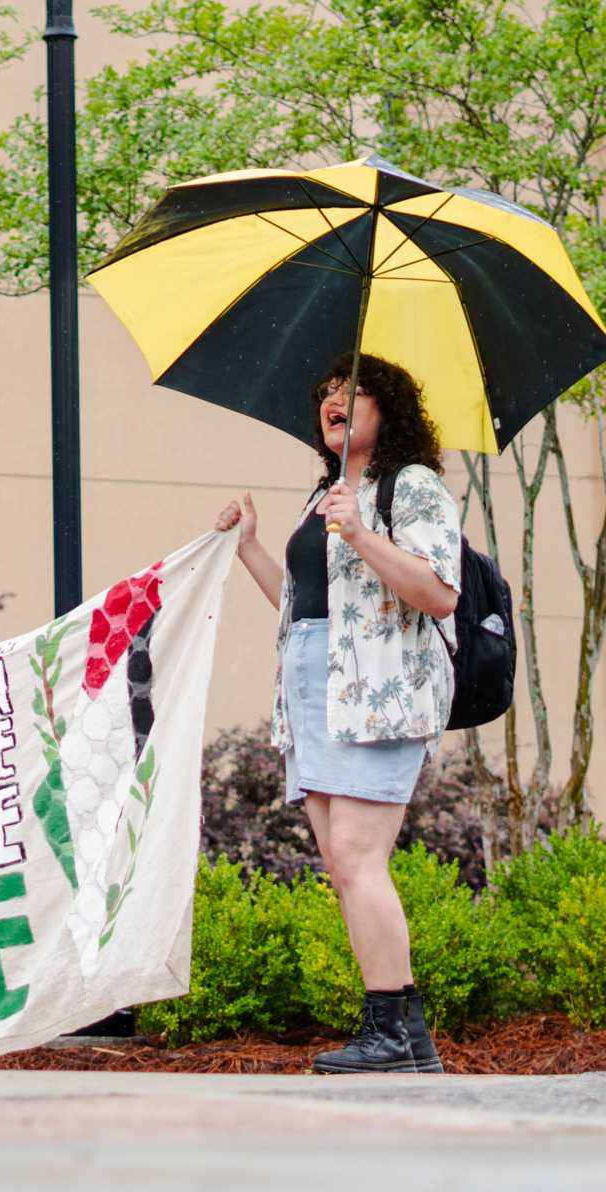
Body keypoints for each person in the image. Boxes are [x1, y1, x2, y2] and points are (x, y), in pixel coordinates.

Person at [213, 353, 462, 1073]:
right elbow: (302, 610)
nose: (335, 399)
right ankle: (400, 1036)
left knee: (358, 858)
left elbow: (439, 593)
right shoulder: (326, 493)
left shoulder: (410, 488)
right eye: (327, 391)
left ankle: (395, 1030)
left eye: (354, 391)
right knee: (343, 865)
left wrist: (359, 533)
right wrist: (251, 547)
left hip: (377, 696)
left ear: (390, 410)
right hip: (316, 693)